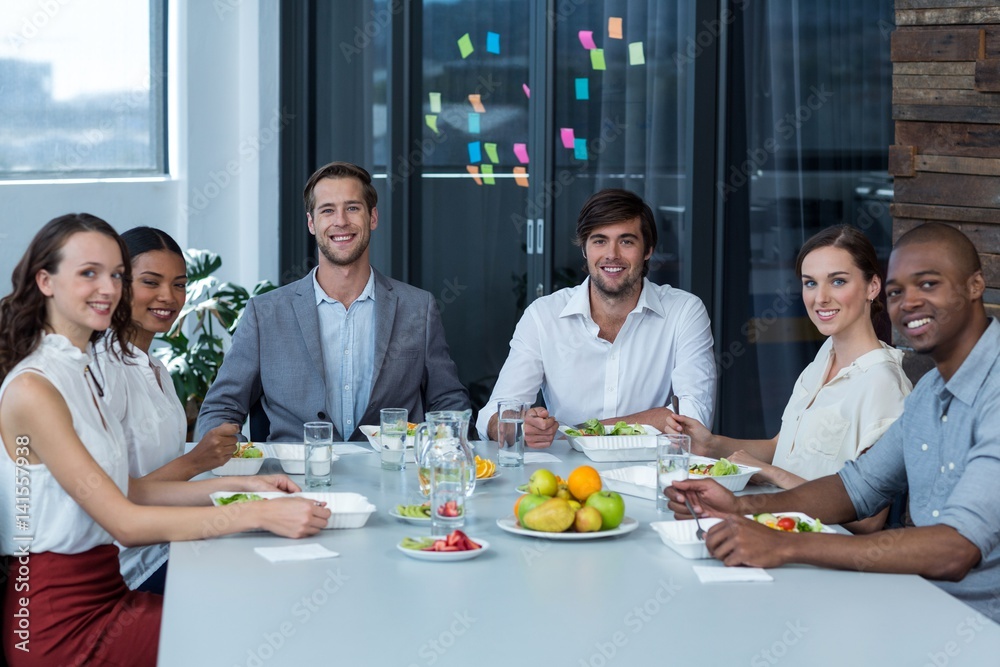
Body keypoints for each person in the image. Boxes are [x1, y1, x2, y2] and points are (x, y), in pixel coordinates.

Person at [0, 214, 331, 666]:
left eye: (116, 275)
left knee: (260, 611)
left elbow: (127, 489)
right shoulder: (35, 387)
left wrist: (241, 486)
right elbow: (124, 522)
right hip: (62, 623)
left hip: (107, 592)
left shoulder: (78, 372)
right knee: (254, 624)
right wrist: (258, 513)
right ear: (45, 281)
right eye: (88, 273)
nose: (108, 288)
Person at [667, 223, 1000, 622]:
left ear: (975, 285)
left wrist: (784, 545)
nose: (909, 302)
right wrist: (740, 506)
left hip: (978, 625)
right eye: (897, 291)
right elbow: (855, 487)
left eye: (928, 284)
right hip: (920, 602)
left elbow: (956, 548)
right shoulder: (930, 391)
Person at [196, 161, 469, 443]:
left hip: (391, 468)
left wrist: (442, 453)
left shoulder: (418, 308)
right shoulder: (264, 314)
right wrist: (243, 459)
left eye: (352, 208)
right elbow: (220, 409)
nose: (340, 221)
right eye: (327, 210)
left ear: (373, 217)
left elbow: (449, 401)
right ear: (311, 223)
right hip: (293, 470)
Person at [668, 227, 911, 524]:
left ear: (872, 287)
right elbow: (780, 447)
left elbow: (868, 522)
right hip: (772, 523)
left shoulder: (883, 383)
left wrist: (771, 474)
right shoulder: (824, 357)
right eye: (810, 283)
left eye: (838, 281)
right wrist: (709, 444)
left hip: (819, 542)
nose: (820, 298)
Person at [476, 188, 716, 447]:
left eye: (626, 241)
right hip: (567, 471)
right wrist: (519, 426)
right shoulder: (543, 316)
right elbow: (495, 414)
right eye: (599, 241)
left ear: (648, 250)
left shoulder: (684, 311)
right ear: (584, 249)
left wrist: (582, 433)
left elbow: (694, 419)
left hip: (651, 469)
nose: (612, 254)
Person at [97, 226, 250, 594]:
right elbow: (108, 497)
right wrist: (196, 461)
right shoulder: (103, 369)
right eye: (151, 282)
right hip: (130, 566)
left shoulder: (156, 367)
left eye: (179, 284)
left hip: (168, 543)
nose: (169, 296)